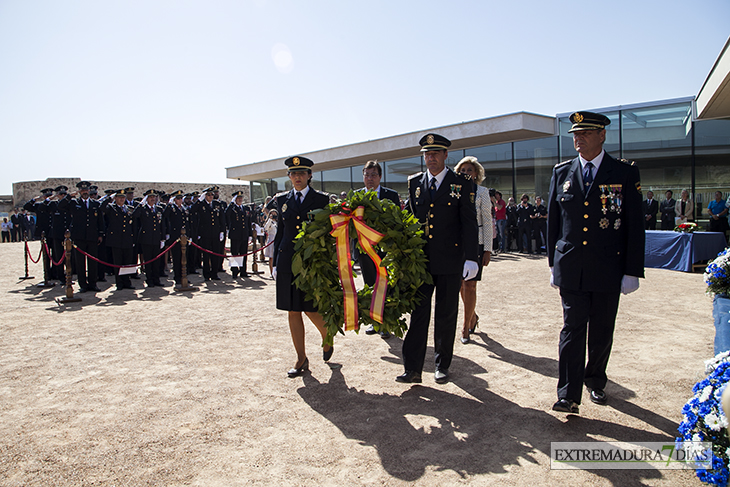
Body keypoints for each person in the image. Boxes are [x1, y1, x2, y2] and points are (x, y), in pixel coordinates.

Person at [547, 111, 644, 414]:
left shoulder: (624, 173)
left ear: (602, 135)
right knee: (572, 329)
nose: (579, 139)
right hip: (572, 267)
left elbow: (634, 224)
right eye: (576, 134)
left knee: (602, 329)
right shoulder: (562, 172)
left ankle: (595, 380)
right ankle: (567, 394)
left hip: (607, 267)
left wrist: (631, 270)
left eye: (586, 133)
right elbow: (553, 222)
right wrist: (553, 263)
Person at [397, 133, 478, 385]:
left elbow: (468, 222)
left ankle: (442, 364)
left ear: (445, 155)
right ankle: (413, 368)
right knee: (418, 314)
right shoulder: (415, 183)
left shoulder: (462, 182)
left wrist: (471, 257)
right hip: (421, 261)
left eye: (435, 154)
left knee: (445, 313)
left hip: (451, 259)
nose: (430, 158)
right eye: (426, 155)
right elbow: (410, 220)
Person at [273, 156, 333, 377]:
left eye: (301, 173)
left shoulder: (322, 200)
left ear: (309, 176)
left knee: (310, 307)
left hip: (311, 261)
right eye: (293, 174)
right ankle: (301, 359)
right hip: (287, 260)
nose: (297, 177)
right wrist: (274, 263)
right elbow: (280, 231)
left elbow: (328, 232)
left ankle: (328, 337)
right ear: (289, 176)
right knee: (292, 310)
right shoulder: (282, 200)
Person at [358, 160, 400, 338]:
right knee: (369, 285)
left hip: (385, 250)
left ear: (380, 177)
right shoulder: (356, 196)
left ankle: (387, 324)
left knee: (386, 286)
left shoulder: (391, 195)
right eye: (367, 175)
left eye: (373, 175)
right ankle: (374, 323)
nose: (370, 178)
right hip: (364, 249)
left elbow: (398, 220)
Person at [454, 156, 492, 345]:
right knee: (460, 285)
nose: (466, 173)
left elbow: (487, 221)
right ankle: (473, 315)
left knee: (470, 285)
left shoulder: (482, 192)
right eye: (463, 170)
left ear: (476, 173)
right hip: (456, 244)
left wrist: (487, 249)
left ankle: (466, 325)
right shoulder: (453, 190)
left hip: (476, 243)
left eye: (470, 170)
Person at [58, 181, 105, 293]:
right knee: (80, 262)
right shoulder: (74, 203)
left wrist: (100, 234)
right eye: (82, 190)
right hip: (79, 237)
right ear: (79, 191)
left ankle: (93, 283)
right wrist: (69, 196)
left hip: (92, 237)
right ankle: (83, 284)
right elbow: (60, 206)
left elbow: (100, 221)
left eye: (86, 190)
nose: (85, 192)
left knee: (93, 261)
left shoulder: (95, 204)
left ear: (89, 190)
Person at [102, 189, 136, 291]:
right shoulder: (111, 208)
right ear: (115, 198)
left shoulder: (129, 208)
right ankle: (119, 282)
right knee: (118, 262)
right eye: (119, 197)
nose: (122, 199)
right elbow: (102, 207)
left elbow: (133, 224)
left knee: (127, 262)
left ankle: (127, 281)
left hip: (127, 239)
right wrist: (109, 198)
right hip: (116, 239)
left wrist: (133, 238)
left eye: (123, 197)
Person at [132, 190, 166, 288]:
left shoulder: (159, 209)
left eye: (154, 197)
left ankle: (156, 279)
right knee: (148, 261)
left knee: (156, 261)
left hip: (156, 238)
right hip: (146, 239)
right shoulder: (143, 209)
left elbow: (162, 225)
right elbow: (135, 215)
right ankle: (149, 279)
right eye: (150, 197)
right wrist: (141, 204)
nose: (153, 199)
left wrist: (163, 238)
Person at [191, 188, 226, 281]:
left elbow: (221, 219)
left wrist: (222, 231)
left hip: (215, 233)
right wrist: (199, 200)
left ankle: (214, 273)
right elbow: (192, 211)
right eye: (209, 195)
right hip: (205, 234)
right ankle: (206, 274)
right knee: (206, 255)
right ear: (205, 196)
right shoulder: (201, 205)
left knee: (215, 254)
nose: (211, 196)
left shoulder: (217, 204)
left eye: (212, 195)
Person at [163, 190, 189, 286]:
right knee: (177, 259)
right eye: (178, 198)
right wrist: (169, 204)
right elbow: (165, 215)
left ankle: (184, 276)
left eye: (181, 198)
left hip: (184, 238)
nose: (180, 200)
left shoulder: (183, 208)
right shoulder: (172, 208)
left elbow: (187, 223)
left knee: (184, 259)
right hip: (175, 238)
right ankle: (177, 277)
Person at [226, 190, 253, 278]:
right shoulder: (232, 209)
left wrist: (250, 234)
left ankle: (243, 271)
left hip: (244, 234)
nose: (240, 199)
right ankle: (234, 271)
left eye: (241, 198)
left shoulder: (245, 209)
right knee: (235, 253)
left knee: (243, 254)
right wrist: (231, 203)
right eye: (238, 198)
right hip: (235, 235)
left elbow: (248, 222)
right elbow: (226, 214)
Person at [263, 209, 278, 277]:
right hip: (271, 240)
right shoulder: (270, 222)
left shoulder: (278, 222)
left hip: (277, 240)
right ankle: (271, 272)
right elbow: (265, 229)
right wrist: (270, 219)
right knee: (271, 257)